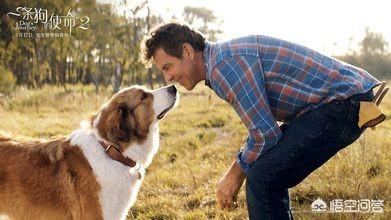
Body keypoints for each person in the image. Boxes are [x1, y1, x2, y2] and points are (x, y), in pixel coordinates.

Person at [140, 22, 381, 219]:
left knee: (262, 180)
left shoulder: (224, 66)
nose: (168, 77)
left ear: (188, 52)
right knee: (265, 175)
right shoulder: (222, 61)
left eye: (168, 66)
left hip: (343, 103)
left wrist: (233, 175)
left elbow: (265, 134)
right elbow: (266, 132)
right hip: (345, 101)